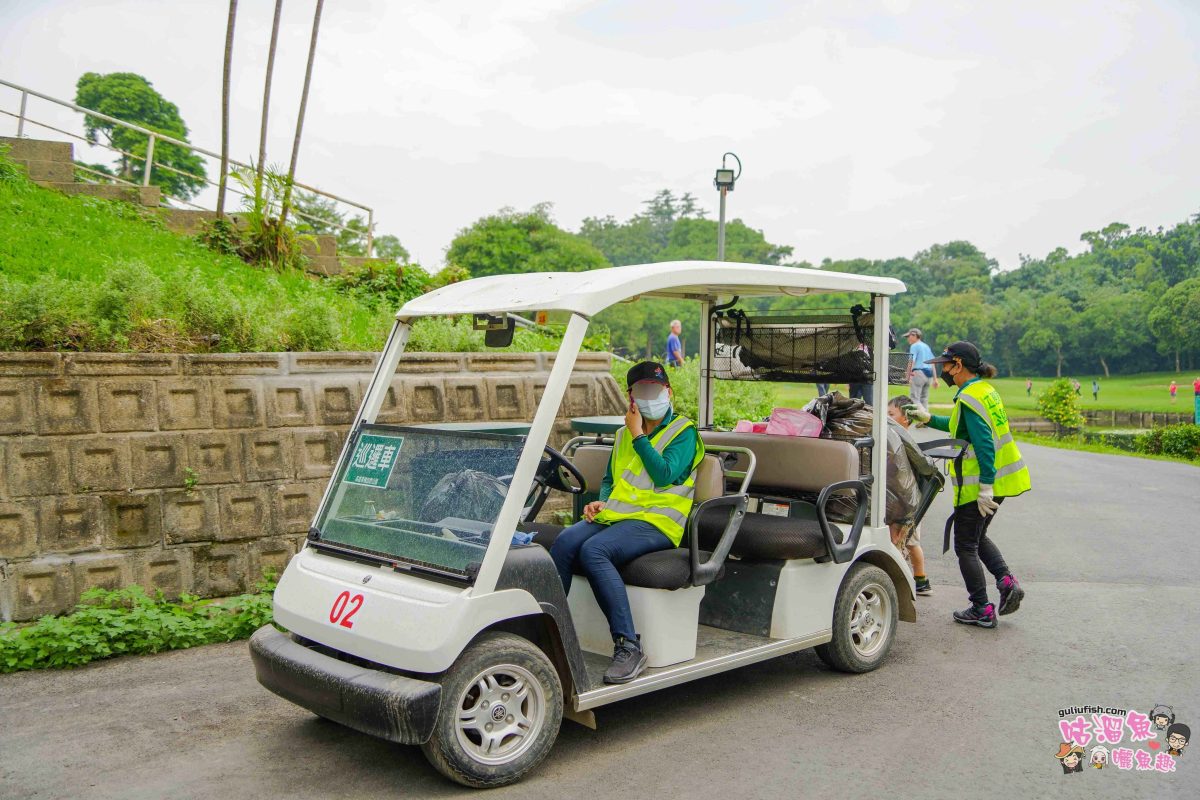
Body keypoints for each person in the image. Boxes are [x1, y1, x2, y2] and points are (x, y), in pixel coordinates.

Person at [549, 361, 704, 684]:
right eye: (642, 390)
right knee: (564, 542)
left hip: (659, 522)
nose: (650, 395)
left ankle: (628, 645)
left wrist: (638, 434)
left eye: (656, 389)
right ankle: (551, 635)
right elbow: (610, 480)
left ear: (668, 392)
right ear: (631, 396)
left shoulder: (683, 431)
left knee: (594, 551)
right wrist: (603, 501)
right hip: (620, 516)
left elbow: (664, 474)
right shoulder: (623, 436)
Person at [904, 341, 1031, 629]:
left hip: (981, 486)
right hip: (1002, 481)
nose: (943, 370)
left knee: (965, 545)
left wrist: (985, 487)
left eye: (945, 365)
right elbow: (960, 426)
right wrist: (929, 418)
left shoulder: (969, 398)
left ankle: (981, 608)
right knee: (977, 536)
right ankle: (1007, 582)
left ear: (958, 365)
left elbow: (984, 443)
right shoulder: (984, 391)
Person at [886, 396, 931, 595]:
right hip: (898, 501)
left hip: (909, 504)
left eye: (891, 414)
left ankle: (921, 579)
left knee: (911, 543)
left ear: (906, 419)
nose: (887, 418)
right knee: (900, 541)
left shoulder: (905, 442)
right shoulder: (893, 439)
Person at [904, 328, 938, 409]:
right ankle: (925, 417)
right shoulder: (926, 346)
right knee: (924, 399)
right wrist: (935, 379)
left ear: (914, 335)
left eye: (909, 336)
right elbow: (933, 362)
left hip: (919, 374)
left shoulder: (914, 346)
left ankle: (920, 416)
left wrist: (908, 375)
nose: (908, 338)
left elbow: (912, 361)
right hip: (929, 376)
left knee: (914, 399)